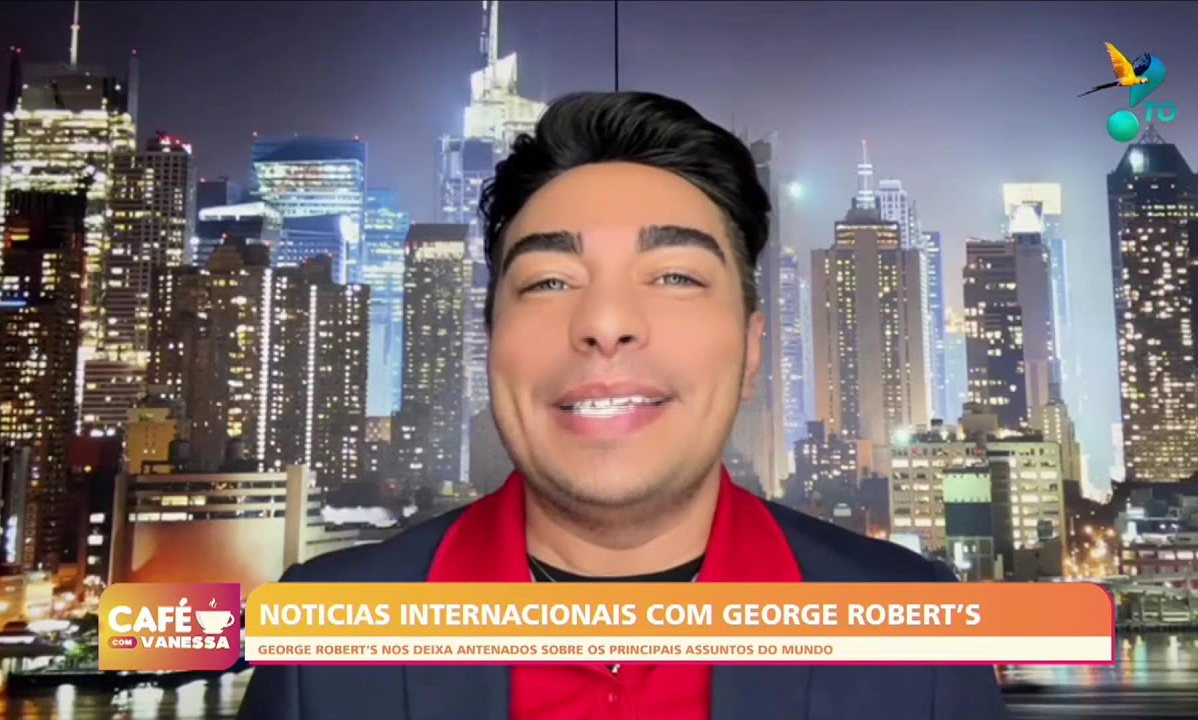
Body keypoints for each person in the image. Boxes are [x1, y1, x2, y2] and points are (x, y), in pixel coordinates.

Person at [238, 91, 1009, 720]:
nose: (605, 323)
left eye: (674, 276)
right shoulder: (327, 641)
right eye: (549, 282)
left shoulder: (915, 637)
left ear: (751, 351)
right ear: (491, 342)